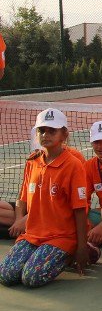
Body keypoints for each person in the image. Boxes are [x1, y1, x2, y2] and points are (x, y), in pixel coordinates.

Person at [0, 109, 89, 288]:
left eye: (52, 130)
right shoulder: (32, 162)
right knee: (6, 275)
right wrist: (19, 222)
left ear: (64, 134)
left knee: (30, 278)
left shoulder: (74, 165)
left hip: (61, 237)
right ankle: (43, 254)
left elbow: (80, 210)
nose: (45, 135)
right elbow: (22, 198)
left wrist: (81, 247)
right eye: (41, 130)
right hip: (32, 235)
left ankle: (69, 255)